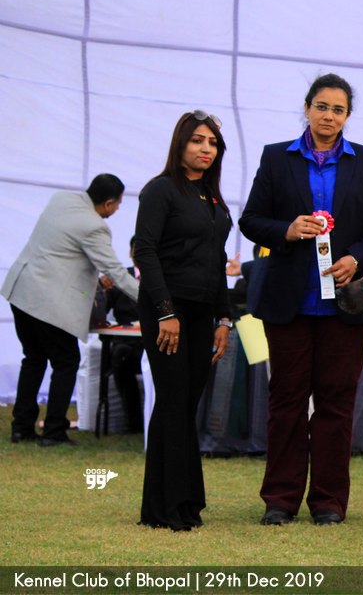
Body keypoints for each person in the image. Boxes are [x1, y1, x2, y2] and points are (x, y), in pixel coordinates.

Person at [239, 73, 363, 526]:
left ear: (348, 116)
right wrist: (286, 230)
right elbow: (251, 219)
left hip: (345, 306)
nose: (329, 116)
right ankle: (280, 500)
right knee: (286, 401)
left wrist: (355, 258)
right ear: (307, 108)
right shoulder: (276, 158)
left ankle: (328, 502)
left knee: (336, 403)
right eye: (322, 107)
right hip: (288, 303)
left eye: (339, 109)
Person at [135, 110, 233, 531]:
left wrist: (225, 318)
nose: (205, 149)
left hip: (202, 314)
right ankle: (168, 508)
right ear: (180, 144)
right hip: (167, 312)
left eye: (211, 143)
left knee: (184, 405)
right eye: (197, 141)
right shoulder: (160, 191)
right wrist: (166, 312)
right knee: (173, 401)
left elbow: (216, 264)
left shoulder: (212, 199)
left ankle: (177, 503)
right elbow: (145, 251)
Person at [3, 174, 139, 446]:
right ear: (109, 203)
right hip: (49, 302)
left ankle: (22, 427)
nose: (117, 210)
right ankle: (54, 431)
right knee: (66, 362)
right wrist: (154, 301)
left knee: (33, 359)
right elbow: (115, 271)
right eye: (119, 204)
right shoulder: (95, 227)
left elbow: (63, 251)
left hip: (21, 292)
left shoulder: (61, 199)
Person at [102, 236, 145, 433]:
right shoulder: (119, 279)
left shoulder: (164, 279)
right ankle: (133, 421)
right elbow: (100, 309)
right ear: (130, 253)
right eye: (137, 249)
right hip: (127, 342)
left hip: (156, 341)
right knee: (120, 357)